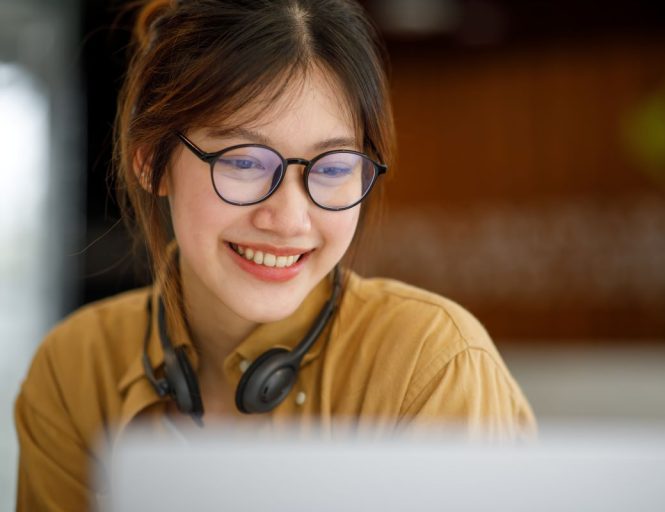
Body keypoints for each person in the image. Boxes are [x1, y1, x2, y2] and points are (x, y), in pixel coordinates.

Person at [14, 0, 535, 509]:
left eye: (333, 167)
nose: (289, 219)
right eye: (243, 161)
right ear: (151, 161)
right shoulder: (76, 369)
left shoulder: (431, 364)